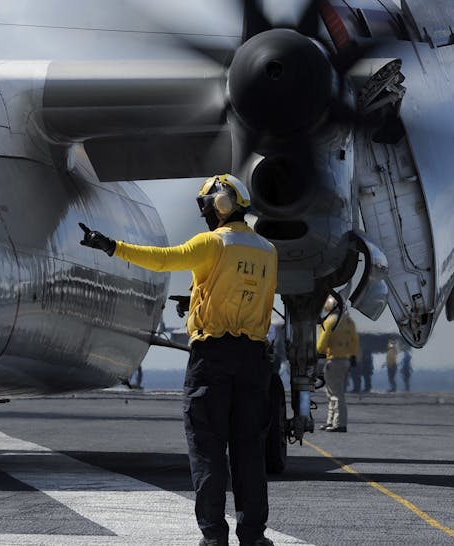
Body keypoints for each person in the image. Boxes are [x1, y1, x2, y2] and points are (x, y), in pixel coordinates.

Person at [80, 174, 277, 546]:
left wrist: (112, 247)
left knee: (208, 449)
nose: (203, 215)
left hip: (212, 359)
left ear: (219, 206)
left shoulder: (211, 243)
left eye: (205, 207)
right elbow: (255, 298)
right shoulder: (268, 250)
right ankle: (253, 535)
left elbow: (163, 260)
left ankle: (214, 536)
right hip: (253, 360)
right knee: (249, 451)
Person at [316, 297, 358, 433]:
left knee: (335, 393)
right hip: (346, 361)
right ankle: (331, 421)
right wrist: (352, 355)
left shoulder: (329, 321)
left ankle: (339, 423)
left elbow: (322, 343)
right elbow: (354, 341)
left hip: (333, 360)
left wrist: (317, 353)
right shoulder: (348, 321)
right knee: (333, 392)